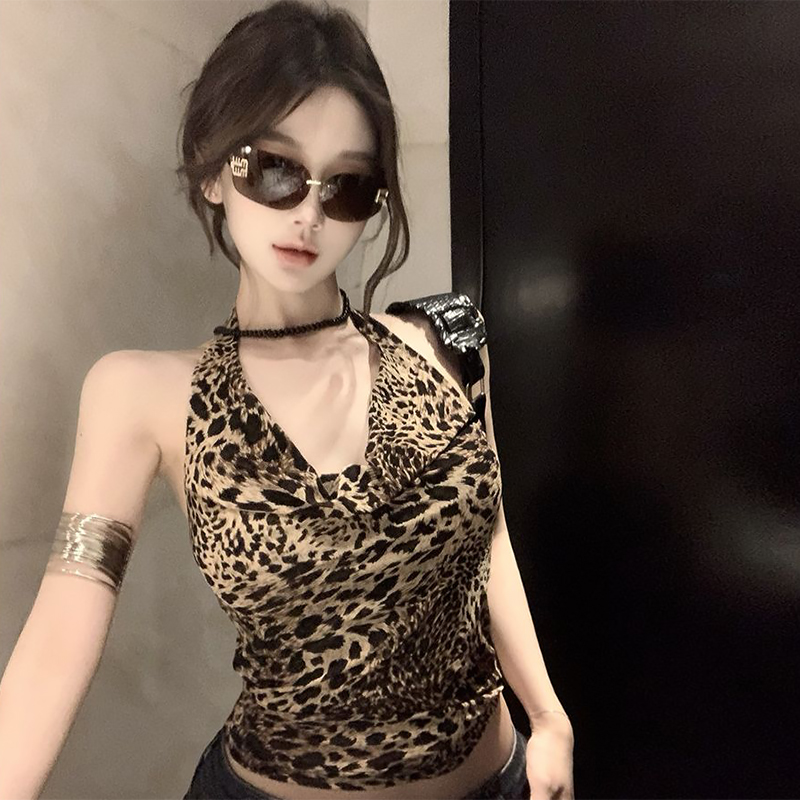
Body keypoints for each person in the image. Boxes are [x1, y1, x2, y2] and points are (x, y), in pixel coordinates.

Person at [0, 1, 574, 799]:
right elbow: (60, 633)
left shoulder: (448, 341)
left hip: (499, 781)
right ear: (212, 171)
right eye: (273, 167)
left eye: (348, 185)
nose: (307, 212)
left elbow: (486, 536)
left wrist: (548, 717)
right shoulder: (142, 393)